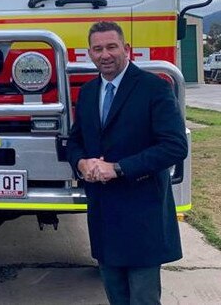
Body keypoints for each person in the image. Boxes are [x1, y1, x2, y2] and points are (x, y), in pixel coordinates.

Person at [67, 21, 187, 304]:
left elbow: (174, 146)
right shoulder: (87, 93)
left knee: (143, 299)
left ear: (127, 49)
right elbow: (75, 142)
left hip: (142, 213)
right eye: (98, 49)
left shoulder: (154, 88)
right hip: (103, 216)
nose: (105, 55)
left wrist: (119, 168)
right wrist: (81, 163)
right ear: (90, 54)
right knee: (115, 296)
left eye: (111, 47)